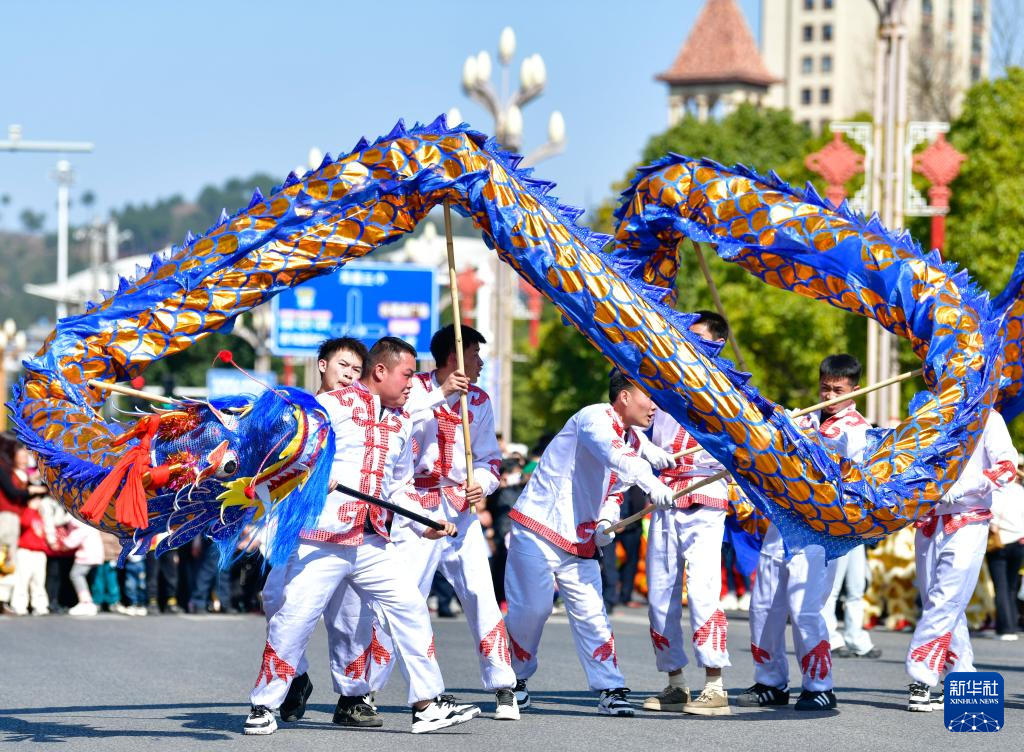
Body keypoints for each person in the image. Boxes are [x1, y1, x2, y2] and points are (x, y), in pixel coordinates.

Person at [245, 337, 479, 736]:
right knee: (295, 618)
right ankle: (264, 705)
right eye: (407, 375)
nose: (412, 384)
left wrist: (423, 521)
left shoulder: (403, 421)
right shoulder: (333, 405)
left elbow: (398, 486)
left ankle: (426, 704)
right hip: (323, 538)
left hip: (371, 540)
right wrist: (314, 469)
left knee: (409, 605)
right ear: (381, 372)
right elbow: (288, 445)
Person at [332, 325, 518, 723]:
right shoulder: (408, 388)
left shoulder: (480, 401)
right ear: (452, 357)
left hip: (461, 513)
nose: (481, 363)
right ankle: (366, 692)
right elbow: (394, 423)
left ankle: (504, 685)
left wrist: (479, 484)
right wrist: (442, 393)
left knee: (481, 595)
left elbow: (490, 460)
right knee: (399, 601)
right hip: (413, 508)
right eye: (473, 354)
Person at [503, 370, 676, 717]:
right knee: (532, 611)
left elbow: (614, 491)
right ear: (624, 396)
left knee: (594, 615)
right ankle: (513, 680)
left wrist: (606, 522)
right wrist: (649, 478)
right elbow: (617, 458)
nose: (655, 405)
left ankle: (610, 688)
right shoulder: (593, 417)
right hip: (540, 528)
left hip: (580, 539)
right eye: (648, 395)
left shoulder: (633, 439)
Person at [739, 354, 870, 712]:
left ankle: (819, 686)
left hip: (817, 528)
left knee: (804, 608)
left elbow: (852, 471)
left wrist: (811, 439)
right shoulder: (804, 416)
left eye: (837, 390)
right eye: (824, 387)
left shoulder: (858, 430)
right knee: (764, 605)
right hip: (781, 521)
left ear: (854, 390)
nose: (828, 395)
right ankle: (770, 681)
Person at [642, 311, 733, 717]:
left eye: (696, 335)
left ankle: (715, 686)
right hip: (663, 493)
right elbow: (636, 435)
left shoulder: (730, 387)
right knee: (660, 592)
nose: (687, 339)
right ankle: (675, 683)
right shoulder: (661, 377)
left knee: (702, 590)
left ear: (716, 343)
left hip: (705, 493)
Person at [906, 409, 1018, 712]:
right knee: (939, 603)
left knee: (945, 599)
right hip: (929, 523)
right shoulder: (929, 415)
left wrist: (964, 488)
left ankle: (922, 677)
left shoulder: (987, 418)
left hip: (968, 521)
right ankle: (963, 682)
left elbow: (1007, 467)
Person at [986, 468, 1024, 640]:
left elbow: (990, 518)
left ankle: (1005, 629)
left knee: (1000, 587)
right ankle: (1012, 624)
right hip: (1019, 542)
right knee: (1011, 586)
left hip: (999, 542)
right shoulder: (1020, 491)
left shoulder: (996, 492)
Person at [63, 516, 105, 616]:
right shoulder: (90, 524)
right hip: (95, 555)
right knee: (88, 577)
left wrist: (62, 538)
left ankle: (85, 602)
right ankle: (88, 602)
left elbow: (70, 543)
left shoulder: (81, 527)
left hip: (86, 556)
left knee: (76, 575)